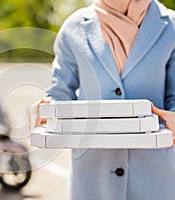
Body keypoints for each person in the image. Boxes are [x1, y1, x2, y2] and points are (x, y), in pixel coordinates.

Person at [36, 0, 175, 199]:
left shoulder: (171, 25)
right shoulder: (73, 27)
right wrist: (48, 107)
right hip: (93, 176)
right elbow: (59, 92)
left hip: (154, 175)